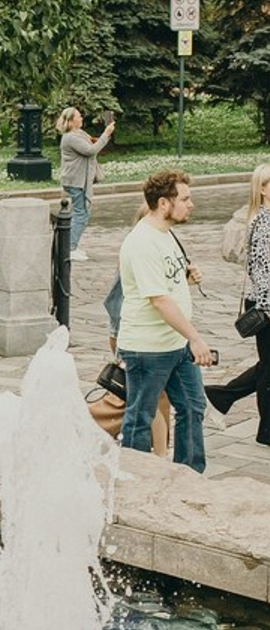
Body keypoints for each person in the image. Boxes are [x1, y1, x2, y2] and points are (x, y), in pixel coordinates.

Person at [117, 169, 213, 473]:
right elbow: (158, 300)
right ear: (163, 203)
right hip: (148, 348)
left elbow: (164, 281)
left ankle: (190, 474)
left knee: (192, 407)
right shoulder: (142, 242)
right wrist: (195, 338)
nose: (191, 204)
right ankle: (134, 480)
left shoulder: (165, 233)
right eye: (184, 199)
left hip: (175, 342)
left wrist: (184, 275)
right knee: (140, 417)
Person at [205, 163, 270, 446]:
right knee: (268, 369)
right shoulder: (265, 221)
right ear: (264, 189)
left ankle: (221, 395)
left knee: (268, 366)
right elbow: (263, 270)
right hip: (266, 304)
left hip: (263, 301)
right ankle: (266, 431)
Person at [57, 107, 115, 261]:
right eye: (78, 116)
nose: (81, 118)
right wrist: (106, 134)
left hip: (79, 180)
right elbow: (90, 150)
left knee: (81, 213)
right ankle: (69, 248)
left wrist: (102, 137)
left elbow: (92, 142)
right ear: (70, 121)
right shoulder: (70, 137)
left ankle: (71, 245)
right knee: (81, 214)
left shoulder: (80, 134)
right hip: (76, 181)